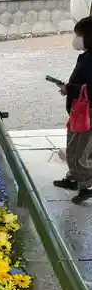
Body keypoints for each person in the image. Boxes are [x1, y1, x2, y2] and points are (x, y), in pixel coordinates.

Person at [54, 17, 92, 204]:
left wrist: (70, 89)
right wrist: (69, 88)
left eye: (79, 35)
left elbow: (89, 88)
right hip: (78, 111)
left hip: (86, 113)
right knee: (76, 147)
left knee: (76, 153)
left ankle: (87, 184)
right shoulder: (86, 55)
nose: (76, 39)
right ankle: (74, 179)